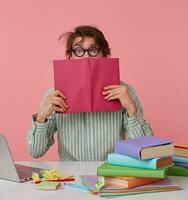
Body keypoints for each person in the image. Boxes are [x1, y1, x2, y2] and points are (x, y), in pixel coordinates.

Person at [27, 25, 152, 161]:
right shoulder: (54, 95)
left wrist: (131, 110)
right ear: (69, 56)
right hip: (71, 176)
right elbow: (35, 151)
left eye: (93, 50)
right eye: (78, 50)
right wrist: (41, 117)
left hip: (111, 173)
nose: (86, 56)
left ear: (105, 55)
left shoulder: (124, 91)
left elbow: (146, 152)